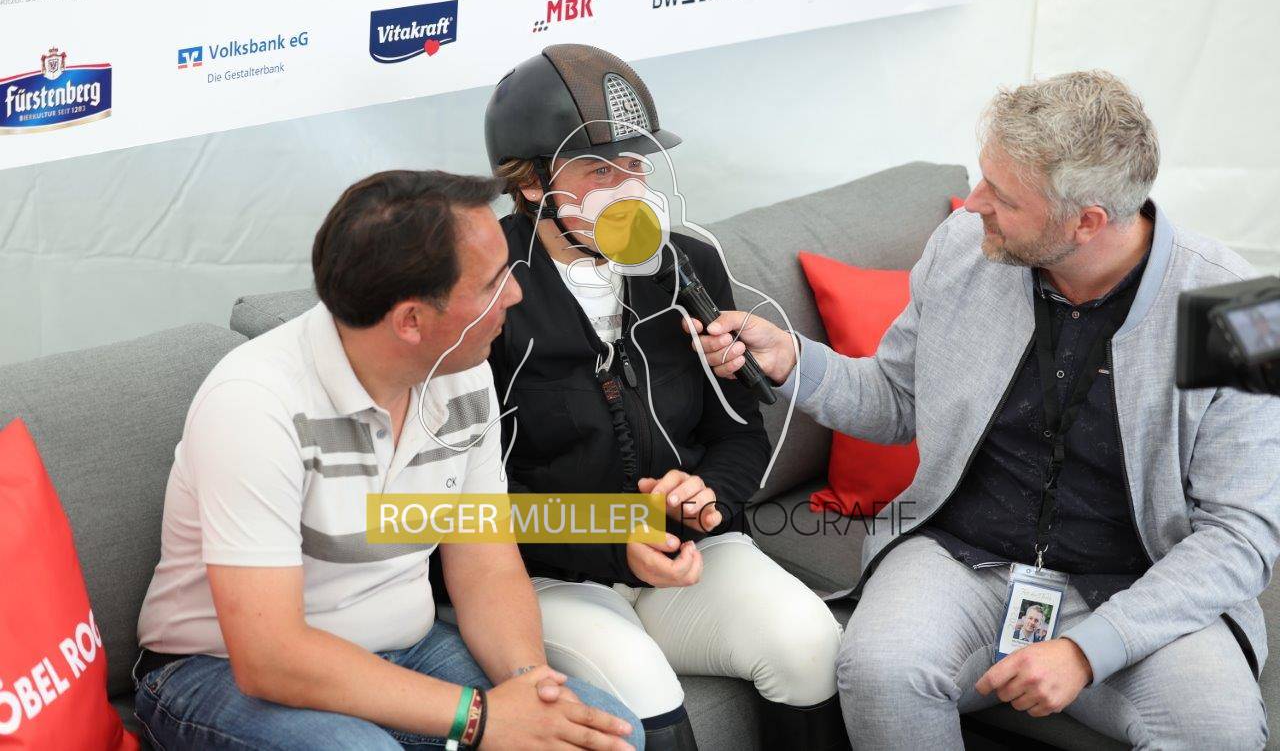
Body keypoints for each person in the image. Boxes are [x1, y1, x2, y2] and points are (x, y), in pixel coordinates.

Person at [690, 71, 1278, 749]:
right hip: (962, 554)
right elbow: (896, 399)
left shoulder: (1241, 308)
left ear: (1086, 221)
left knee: (1218, 732)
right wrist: (793, 359)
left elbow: (1241, 534)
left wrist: (1088, 649)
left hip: (1145, 581)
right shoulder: (962, 247)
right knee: (879, 668)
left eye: (1002, 195)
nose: (973, 204)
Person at [134, 170, 643, 750]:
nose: (515, 295)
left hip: (405, 650)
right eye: (492, 284)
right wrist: (480, 718)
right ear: (410, 321)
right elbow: (269, 656)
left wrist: (530, 689)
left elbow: (485, 566)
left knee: (600, 731)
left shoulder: (462, 372)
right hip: (214, 671)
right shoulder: (253, 403)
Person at [480, 44, 846, 750]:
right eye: (599, 170)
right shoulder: (483, 289)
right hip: (549, 575)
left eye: (636, 164)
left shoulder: (685, 264)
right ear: (530, 183)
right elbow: (468, 502)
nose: (628, 188)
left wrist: (707, 495)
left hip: (685, 549)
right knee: (640, 686)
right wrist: (620, 535)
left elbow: (742, 433)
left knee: (810, 643)